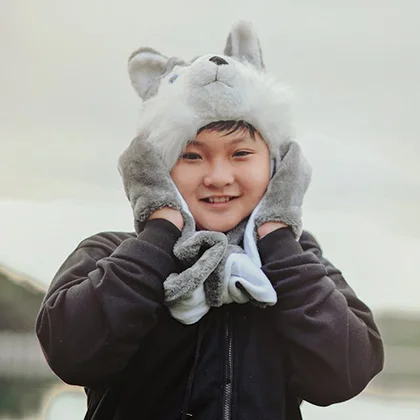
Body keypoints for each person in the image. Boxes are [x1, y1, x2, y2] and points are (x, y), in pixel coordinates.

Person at [36, 118, 384, 420]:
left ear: (277, 169)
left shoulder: (297, 260)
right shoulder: (111, 254)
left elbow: (345, 374)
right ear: (157, 169)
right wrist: (159, 234)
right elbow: (71, 355)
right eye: (191, 156)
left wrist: (277, 238)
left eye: (241, 154)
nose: (218, 177)